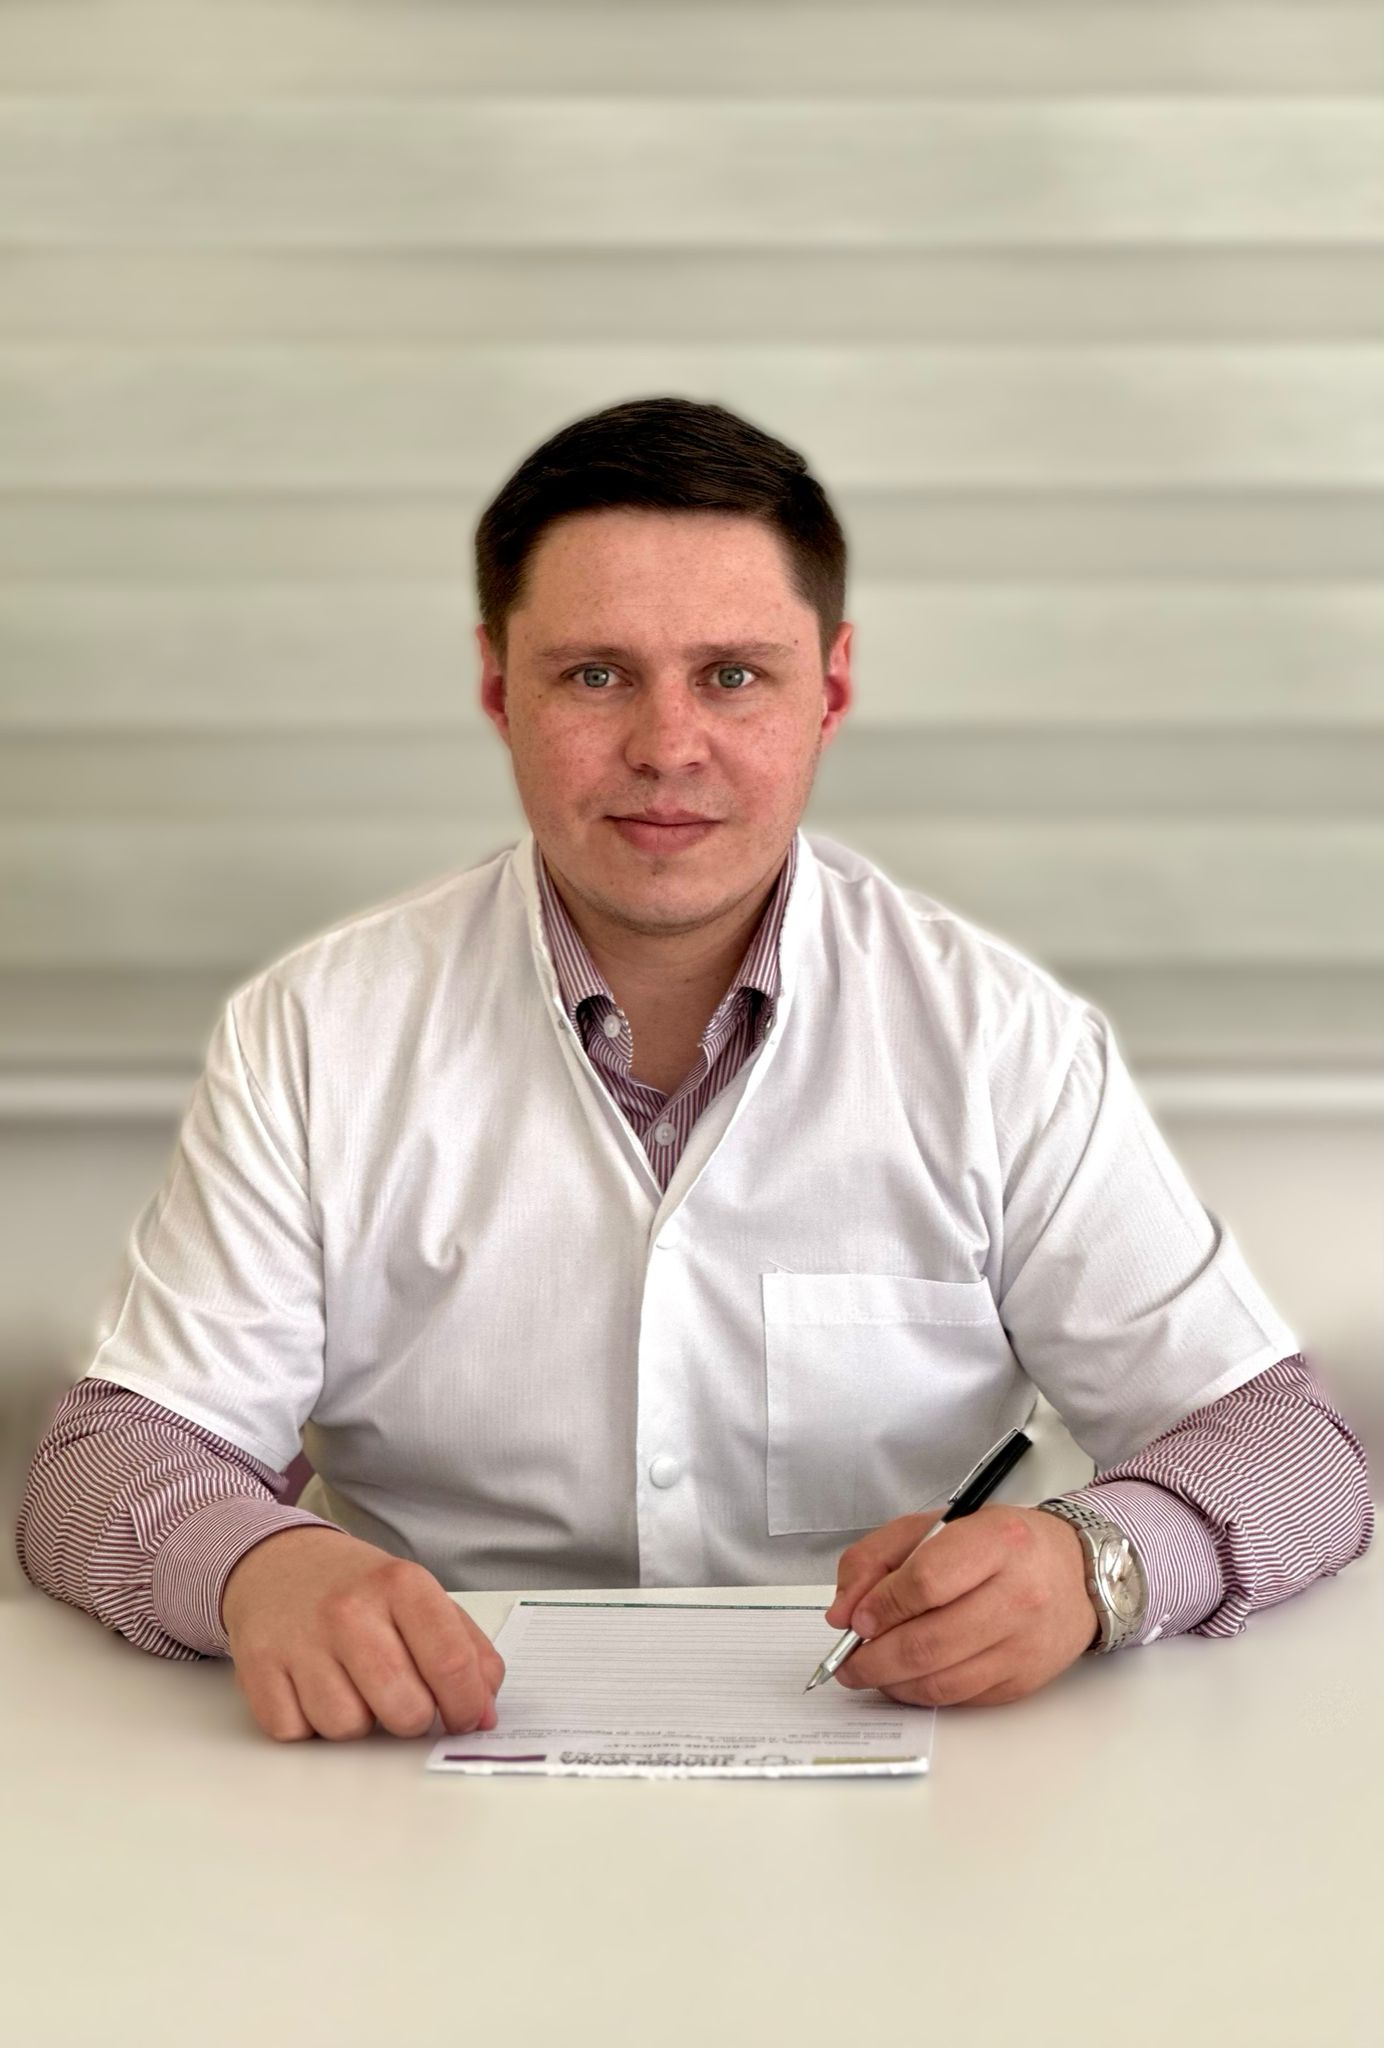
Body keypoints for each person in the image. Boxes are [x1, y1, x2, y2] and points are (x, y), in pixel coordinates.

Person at [16, 397, 1373, 1745]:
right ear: (497, 686)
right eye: (595, 675)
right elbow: (102, 1467)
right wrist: (258, 1567)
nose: (667, 747)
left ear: (829, 689)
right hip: (422, 1755)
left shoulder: (1000, 1038)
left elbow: (1294, 1454)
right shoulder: (317, 1032)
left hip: (918, 1766)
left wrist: (1096, 1567)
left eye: (732, 675)